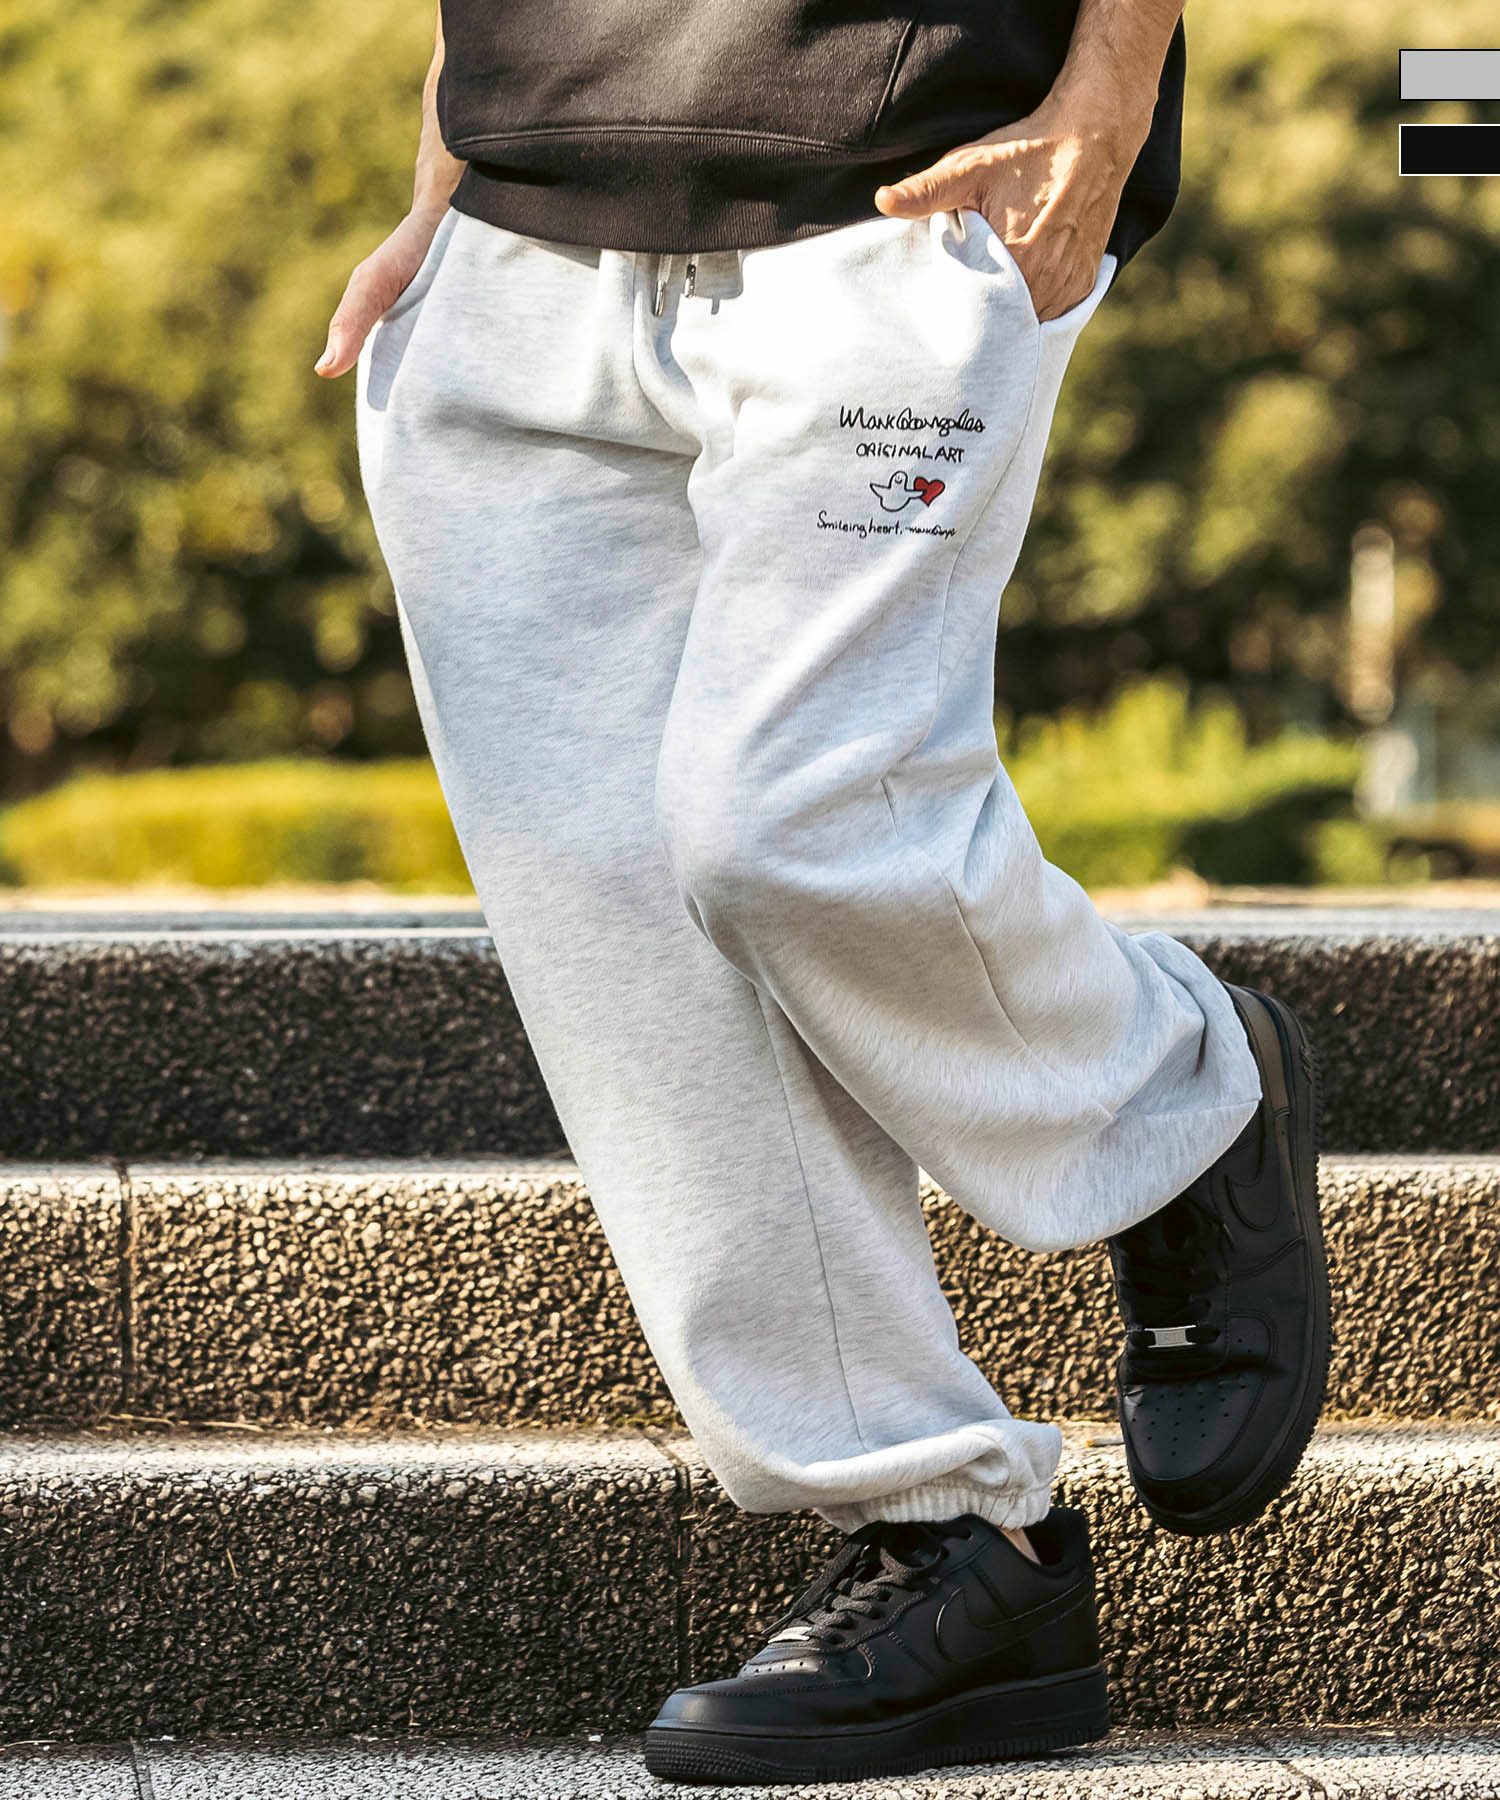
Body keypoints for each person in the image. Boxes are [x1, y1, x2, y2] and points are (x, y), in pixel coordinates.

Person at [318, 0, 1330, 1783]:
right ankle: (948, 1531)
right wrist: (438, 182)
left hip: (899, 197)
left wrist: (1104, 108)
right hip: (512, 243)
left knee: (785, 819)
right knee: (618, 932)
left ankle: (1177, 1094)